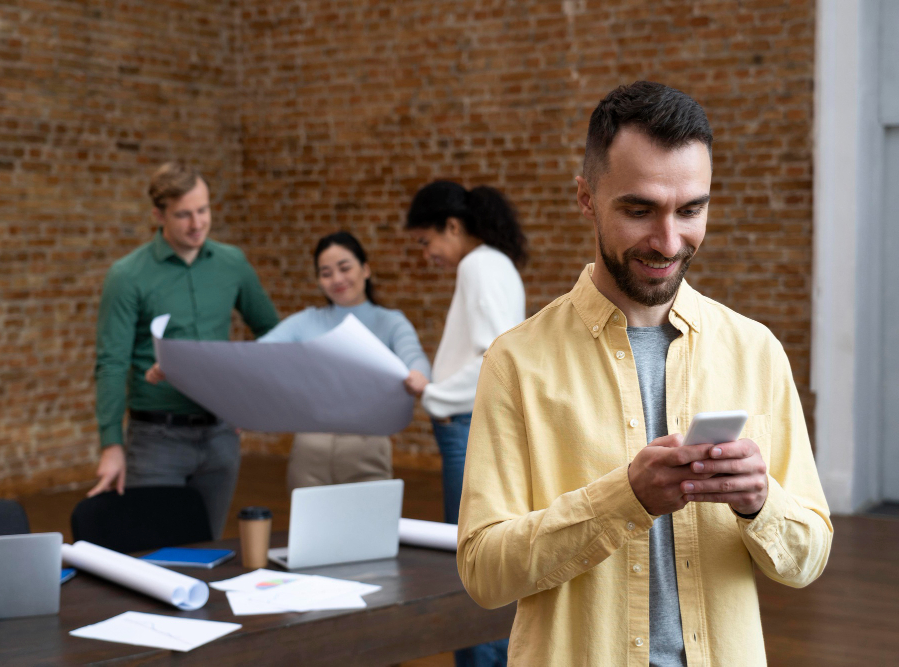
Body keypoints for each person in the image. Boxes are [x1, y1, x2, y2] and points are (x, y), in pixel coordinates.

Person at [456, 81, 833, 666]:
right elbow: (484, 572)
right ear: (586, 198)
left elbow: (807, 560)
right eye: (639, 210)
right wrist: (623, 499)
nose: (668, 241)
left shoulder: (755, 351)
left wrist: (761, 502)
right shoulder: (516, 362)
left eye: (691, 210)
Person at [89, 161, 279, 541]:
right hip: (156, 440)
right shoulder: (127, 275)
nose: (197, 224)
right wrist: (111, 445)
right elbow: (111, 363)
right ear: (158, 215)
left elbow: (274, 334)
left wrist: (249, 398)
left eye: (203, 210)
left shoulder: (232, 264)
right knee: (154, 552)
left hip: (220, 438)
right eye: (183, 215)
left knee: (208, 550)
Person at [405, 181, 528, 667]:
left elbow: (492, 359)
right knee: (482, 552)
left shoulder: (479, 265)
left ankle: (484, 659)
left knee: (472, 559)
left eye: (426, 240)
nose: (427, 254)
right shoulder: (494, 264)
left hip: (466, 425)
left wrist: (431, 392)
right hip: (469, 424)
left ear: (452, 226)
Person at [258, 231, 431, 491]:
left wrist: (418, 374)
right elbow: (260, 353)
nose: (337, 279)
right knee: (310, 518)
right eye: (326, 273)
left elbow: (414, 357)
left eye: (345, 268)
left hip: (367, 446)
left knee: (368, 516)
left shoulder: (391, 322)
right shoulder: (306, 321)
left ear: (365, 269)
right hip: (310, 449)